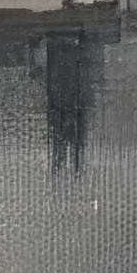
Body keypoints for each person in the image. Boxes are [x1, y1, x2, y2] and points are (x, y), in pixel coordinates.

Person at [42, 19, 99, 173]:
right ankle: (68, 170)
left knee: (65, 143)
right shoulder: (75, 63)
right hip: (67, 107)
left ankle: (66, 170)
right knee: (69, 143)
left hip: (67, 107)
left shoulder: (60, 65)